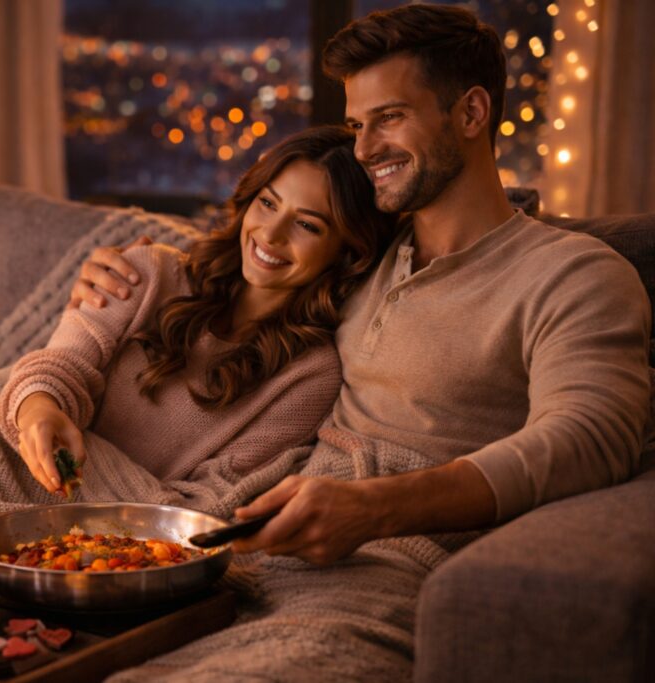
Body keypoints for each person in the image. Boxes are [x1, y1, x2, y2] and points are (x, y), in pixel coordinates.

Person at [69, 4, 651, 565]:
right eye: (356, 125)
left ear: (472, 114)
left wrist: (377, 509)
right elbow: (251, 254)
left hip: (389, 555)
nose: (365, 149)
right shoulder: (358, 254)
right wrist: (123, 272)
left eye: (390, 117)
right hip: (263, 538)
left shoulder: (576, 275)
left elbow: (593, 437)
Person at [0, 126, 395, 494]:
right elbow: (59, 366)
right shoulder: (148, 269)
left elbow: (216, 497)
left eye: (307, 225)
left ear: (348, 252)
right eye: (268, 203)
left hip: (92, 523)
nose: (270, 235)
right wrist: (38, 410)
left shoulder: (310, 375)